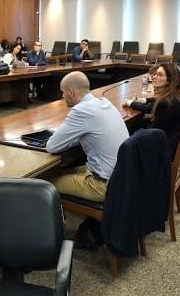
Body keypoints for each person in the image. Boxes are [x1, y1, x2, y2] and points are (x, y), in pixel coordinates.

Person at [46, 72, 129, 246]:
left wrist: (68, 133)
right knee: (65, 171)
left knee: (44, 184)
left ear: (71, 92)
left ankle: (48, 237)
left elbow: (52, 146)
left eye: (62, 92)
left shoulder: (80, 111)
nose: (61, 96)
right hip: (121, 178)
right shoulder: (103, 102)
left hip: (102, 185)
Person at [124, 63, 180, 156]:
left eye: (160, 75)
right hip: (172, 139)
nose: (154, 77)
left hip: (163, 149)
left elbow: (152, 130)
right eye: (155, 74)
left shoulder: (166, 103)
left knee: (128, 135)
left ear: (169, 80)